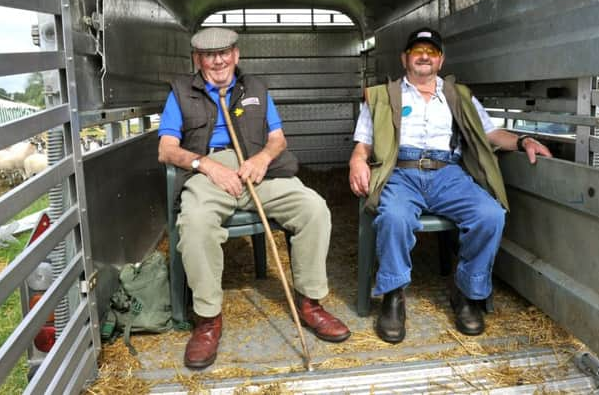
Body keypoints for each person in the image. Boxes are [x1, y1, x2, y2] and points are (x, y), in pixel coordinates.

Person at [158, 27, 351, 369]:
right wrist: (207, 166)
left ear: (236, 55)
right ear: (197, 59)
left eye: (225, 52)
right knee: (195, 224)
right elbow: (166, 149)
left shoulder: (256, 88)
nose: (218, 60)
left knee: (314, 208)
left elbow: (277, 139)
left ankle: (311, 303)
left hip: (257, 170)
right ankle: (208, 320)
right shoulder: (181, 92)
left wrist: (262, 159)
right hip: (209, 173)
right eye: (209, 54)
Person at [348, 27, 552, 343]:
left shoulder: (459, 96)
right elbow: (363, 144)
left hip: (448, 173)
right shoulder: (382, 96)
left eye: (431, 51)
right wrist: (357, 160)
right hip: (400, 172)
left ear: (440, 60)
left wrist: (522, 140)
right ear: (405, 58)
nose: (424, 56)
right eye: (417, 50)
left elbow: (490, 134)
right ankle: (393, 296)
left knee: (490, 215)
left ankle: (467, 292)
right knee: (393, 217)